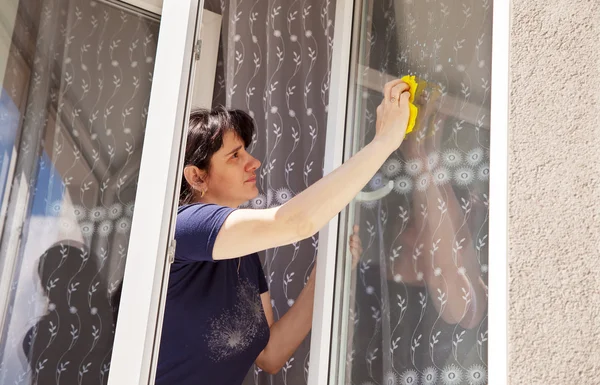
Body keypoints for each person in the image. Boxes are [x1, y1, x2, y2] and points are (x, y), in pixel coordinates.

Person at [155, 79, 412, 385]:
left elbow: (271, 354)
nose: (254, 162)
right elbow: (295, 222)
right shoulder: (184, 226)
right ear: (197, 177)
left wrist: (328, 271)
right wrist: (384, 142)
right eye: (235, 156)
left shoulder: (242, 253)